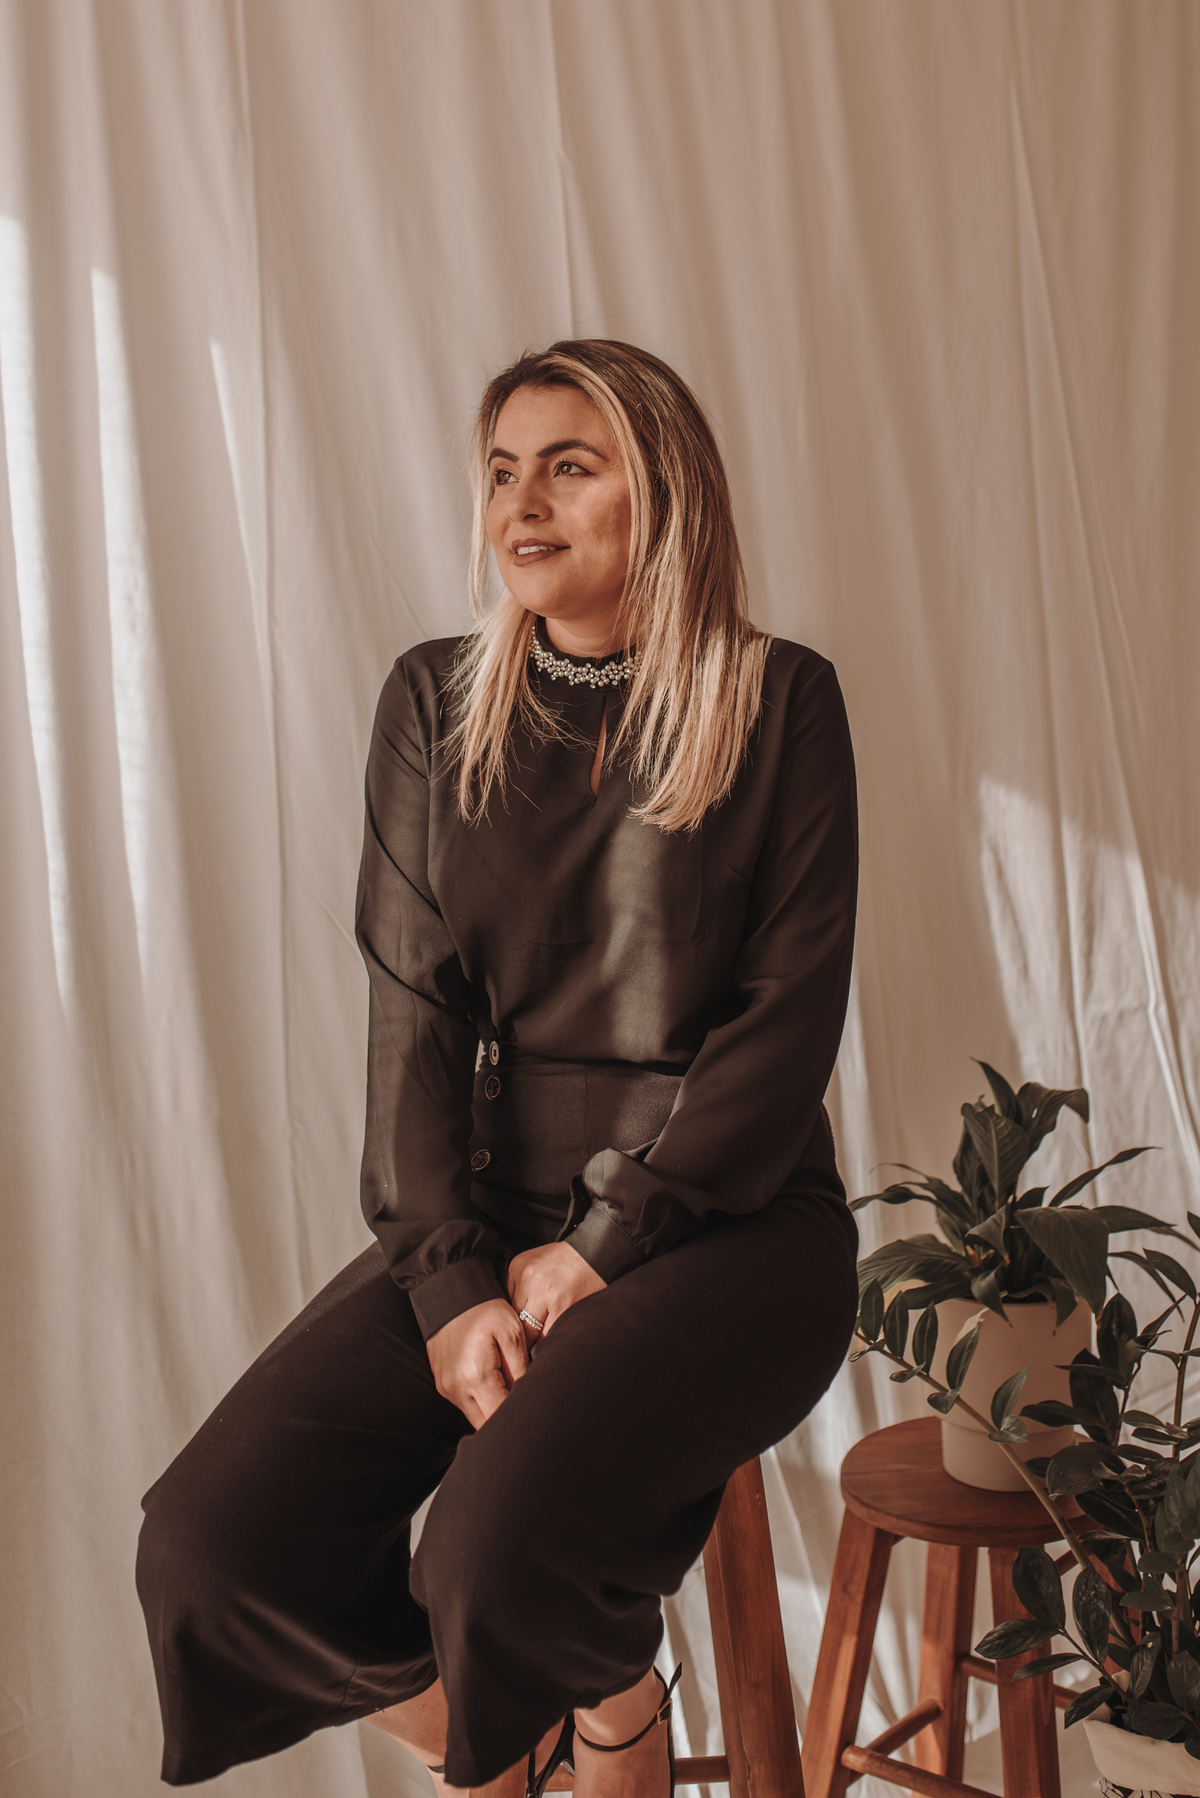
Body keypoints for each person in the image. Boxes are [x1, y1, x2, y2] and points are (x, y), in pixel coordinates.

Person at [136, 339, 860, 1797]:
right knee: (212, 1545)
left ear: (664, 494)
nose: (521, 503)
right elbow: (411, 1016)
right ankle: (546, 1721)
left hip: (729, 1220)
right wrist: (451, 1277)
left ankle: (596, 1701)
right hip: (494, 1208)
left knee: (486, 1546)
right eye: (501, 471)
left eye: (568, 467)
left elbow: (784, 1027)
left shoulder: (777, 699)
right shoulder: (435, 699)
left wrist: (605, 1243)